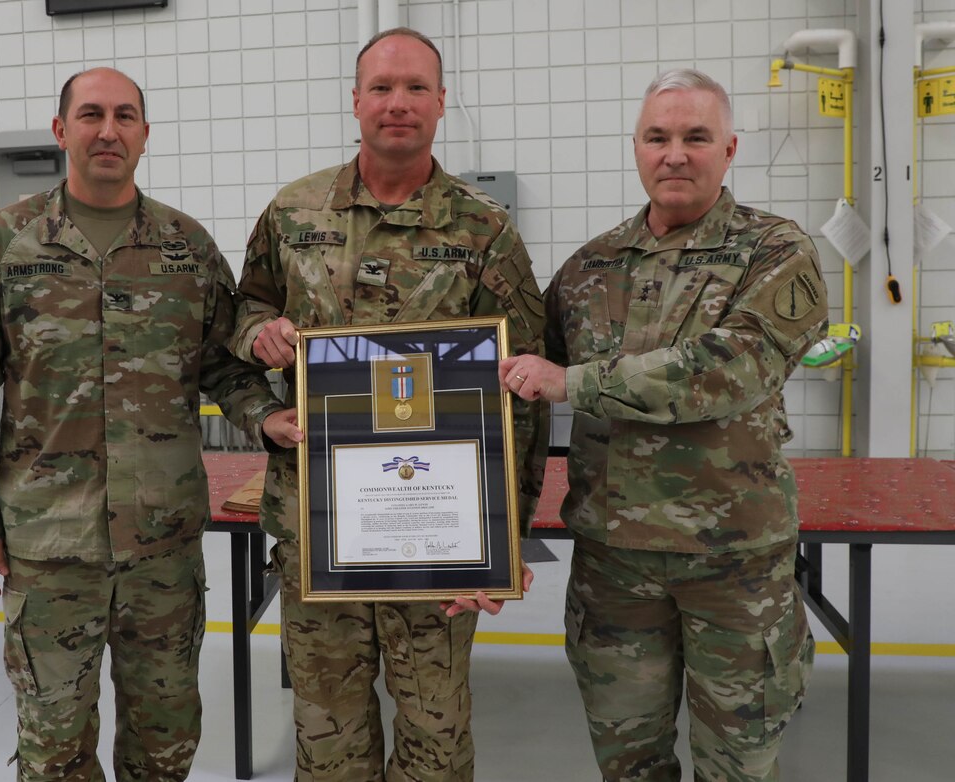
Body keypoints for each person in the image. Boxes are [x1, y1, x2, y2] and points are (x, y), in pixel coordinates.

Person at [0, 67, 281, 781]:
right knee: (53, 750)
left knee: (166, 743)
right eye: (91, 114)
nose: (108, 130)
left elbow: (223, 367)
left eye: (125, 116)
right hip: (48, 548)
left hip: (164, 550)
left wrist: (267, 416)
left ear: (145, 136)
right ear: (61, 130)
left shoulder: (187, 248)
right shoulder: (5, 245)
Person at [230, 28, 548, 782]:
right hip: (319, 528)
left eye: (414, 88)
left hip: (440, 536)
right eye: (381, 87)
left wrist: (506, 543)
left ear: (441, 102)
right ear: (355, 101)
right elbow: (234, 323)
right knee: (327, 740)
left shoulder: (485, 230)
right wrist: (261, 360)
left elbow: (523, 398)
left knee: (436, 742)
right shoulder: (292, 212)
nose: (397, 103)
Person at [499, 69, 827, 781]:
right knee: (629, 763)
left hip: (734, 564)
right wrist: (492, 537)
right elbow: (514, 392)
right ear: (637, 148)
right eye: (658, 137)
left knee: (737, 766)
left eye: (695, 137)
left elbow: (730, 368)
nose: (675, 153)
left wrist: (574, 382)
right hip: (613, 567)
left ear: (729, 149)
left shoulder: (774, 251)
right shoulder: (591, 266)